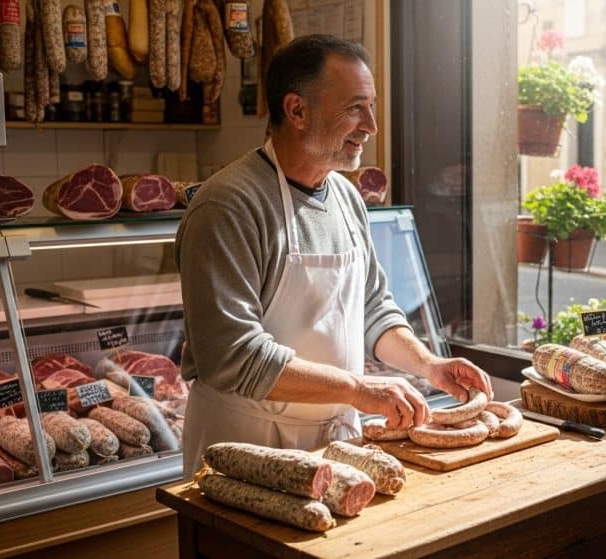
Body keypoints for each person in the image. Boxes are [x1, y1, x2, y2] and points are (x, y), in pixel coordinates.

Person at [175, 34, 492, 475]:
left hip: (336, 443)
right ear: (296, 111)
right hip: (243, 448)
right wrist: (358, 389)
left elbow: (372, 308)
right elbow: (234, 355)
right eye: (355, 108)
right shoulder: (229, 205)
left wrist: (429, 365)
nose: (371, 126)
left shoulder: (346, 197)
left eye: (371, 106)